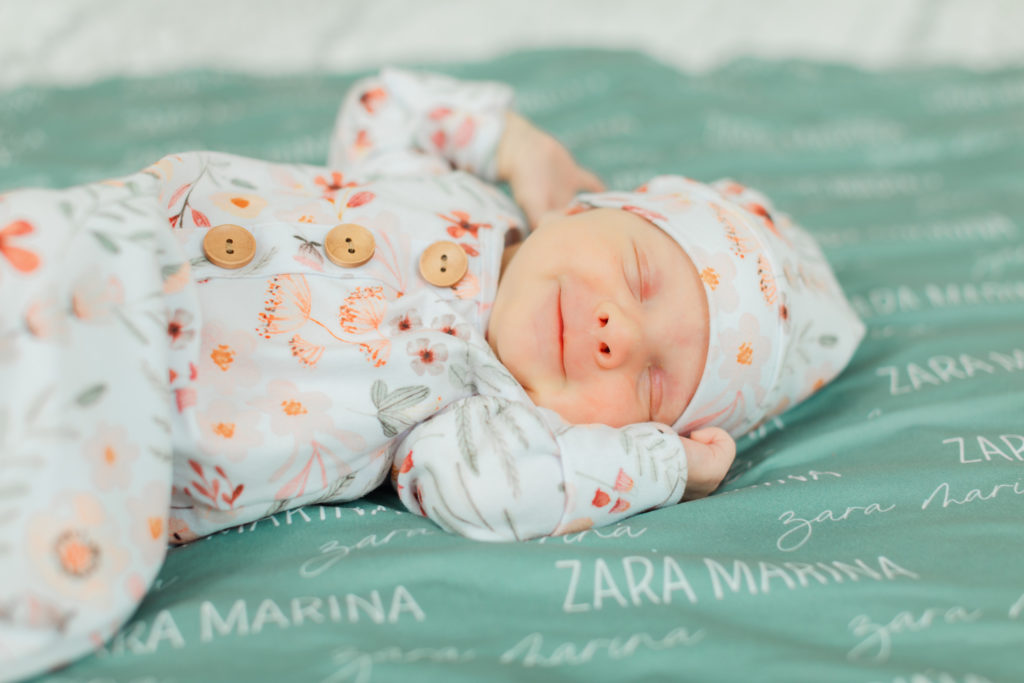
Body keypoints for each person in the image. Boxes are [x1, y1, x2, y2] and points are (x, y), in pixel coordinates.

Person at [0, 68, 864, 679]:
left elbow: (499, 493)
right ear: (591, 207)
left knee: (46, 556)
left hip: (129, 418)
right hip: (99, 246)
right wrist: (520, 146)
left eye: (649, 384)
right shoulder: (446, 189)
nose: (616, 334)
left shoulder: (475, 414)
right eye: (640, 275)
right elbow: (388, 102)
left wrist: (672, 467)